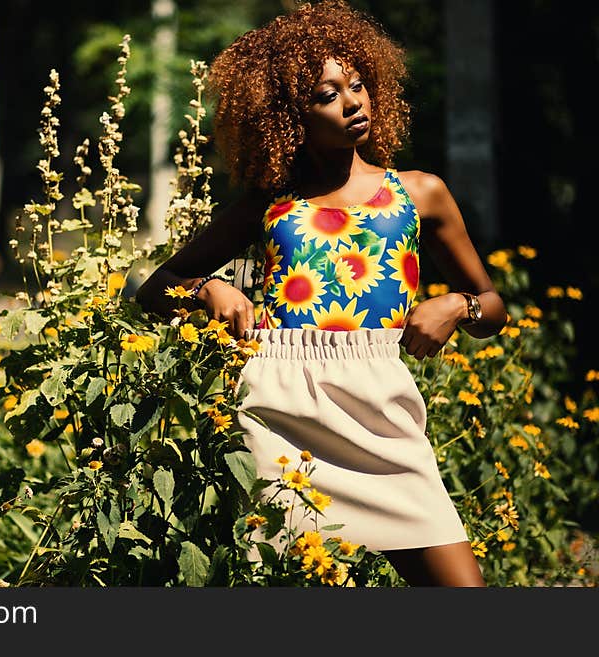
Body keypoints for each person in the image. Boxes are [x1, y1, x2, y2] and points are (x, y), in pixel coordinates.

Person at [135, 0, 507, 586]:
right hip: (281, 405)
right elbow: (157, 288)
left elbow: (493, 306)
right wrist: (210, 293)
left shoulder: (420, 193)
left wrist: (458, 307)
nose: (352, 102)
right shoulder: (271, 203)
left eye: (356, 84)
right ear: (289, 116)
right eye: (326, 96)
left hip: (382, 405)